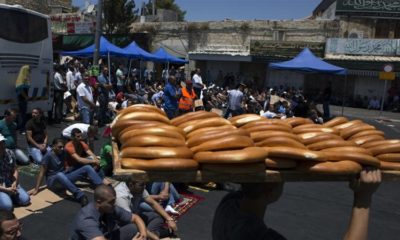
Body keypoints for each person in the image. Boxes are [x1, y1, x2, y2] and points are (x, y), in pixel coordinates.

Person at [212, 169, 381, 240]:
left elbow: (249, 187)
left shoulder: (227, 205)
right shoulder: (263, 238)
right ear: (271, 191)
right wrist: (363, 200)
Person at [28, 138, 104, 207]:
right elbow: (41, 173)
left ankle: (102, 188)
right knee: (59, 174)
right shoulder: (48, 156)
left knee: (86, 167)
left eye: (63, 146)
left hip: (64, 175)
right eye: (59, 147)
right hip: (53, 181)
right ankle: (80, 196)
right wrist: (36, 189)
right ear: (53, 146)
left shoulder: (63, 152)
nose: (62, 148)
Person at [70, 184, 147, 240]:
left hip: (104, 236)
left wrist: (143, 236)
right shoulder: (87, 220)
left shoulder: (110, 207)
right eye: (111, 202)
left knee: (133, 228)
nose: (114, 204)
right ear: (99, 202)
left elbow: (136, 218)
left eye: (114, 200)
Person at [0, 134, 30, 211]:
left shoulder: (9, 153)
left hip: (10, 182)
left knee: (26, 200)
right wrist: (7, 190)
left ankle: (8, 197)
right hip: (1, 187)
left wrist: (14, 183)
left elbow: (15, 170)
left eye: (3, 142)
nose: (2, 145)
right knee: (8, 207)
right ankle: (7, 197)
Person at [15, 65, 31, 134]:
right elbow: (20, 89)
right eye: (28, 70)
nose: (30, 71)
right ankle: (22, 129)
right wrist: (26, 97)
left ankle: (20, 128)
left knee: (22, 114)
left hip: (22, 98)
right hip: (22, 99)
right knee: (22, 114)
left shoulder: (23, 78)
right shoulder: (23, 79)